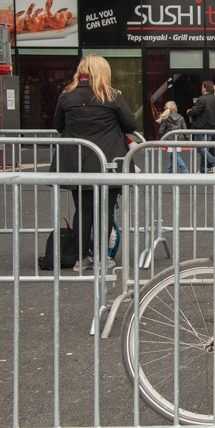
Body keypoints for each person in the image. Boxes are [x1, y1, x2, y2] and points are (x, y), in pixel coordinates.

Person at [52, 54, 138, 271]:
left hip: (77, 161)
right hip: (108, 162)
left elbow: (58, 125)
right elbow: (130, 124)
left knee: (83, 210)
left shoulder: (66, 96)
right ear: (103, 71)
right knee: (105, 211)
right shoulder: (111, 95)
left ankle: (81, 259)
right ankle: (102, 258)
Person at [187, 80, 215, 173]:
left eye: (202, 87)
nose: (201, 89)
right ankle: (203, 170)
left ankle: (213, 163)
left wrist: (188, 112)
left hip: (201, 127)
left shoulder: (202, 99)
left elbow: (195, 112)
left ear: (205, 88)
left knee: (200, 148)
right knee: (205, 149)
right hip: (212, 128)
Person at [156, 101, 190, 174]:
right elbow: (184, 129)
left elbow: (161, 131)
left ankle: (185, 171)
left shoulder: (165, 118)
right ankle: (169, 171)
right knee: (174, 155)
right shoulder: (181, 117)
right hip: (179, 139)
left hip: (169, 139)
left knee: (174, 155)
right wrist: (187, 139)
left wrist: (162, 138)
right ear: (175, 108)